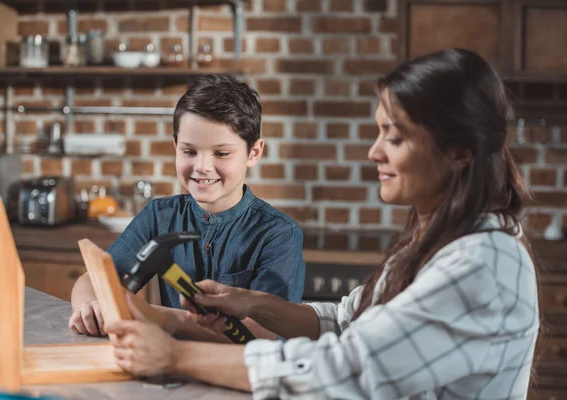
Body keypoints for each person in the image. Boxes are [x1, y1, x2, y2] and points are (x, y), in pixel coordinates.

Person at [105, 48, 540, 399]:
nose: (374, 152)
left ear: (459, 152)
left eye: (395, 136)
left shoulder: (483, 263)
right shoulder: (433, 243)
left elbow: (347, 369)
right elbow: (345, 320)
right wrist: (249, 302)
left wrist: (176, 357)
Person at [69, 75, 306, 339]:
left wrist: (155, 317)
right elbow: (92, 280)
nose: (202, 166)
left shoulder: (279, 234)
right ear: (175, 147)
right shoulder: (159, 217)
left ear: (254, 153)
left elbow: (267, 332)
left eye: (221, 153)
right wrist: (89, 304)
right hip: (168, 366)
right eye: (189, 151)